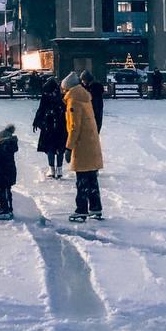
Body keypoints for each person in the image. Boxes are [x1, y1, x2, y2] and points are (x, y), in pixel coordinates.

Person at [62, 72, 104, 222]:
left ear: (68, 88)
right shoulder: (85, 98)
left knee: (82, 180)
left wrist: (68, 148)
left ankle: (81, 210)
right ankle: (95, 207)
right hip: (92, 143)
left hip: (82, 146)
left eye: (64, 90)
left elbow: (74, 127)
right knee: (92, 179)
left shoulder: (73, 102)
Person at [32, 77, 67, 179]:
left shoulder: (46, 95)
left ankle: (51, 169)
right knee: (60, 148)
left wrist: (36, 121)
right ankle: (59, 169)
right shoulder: (62, 95)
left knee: (50, 148)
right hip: (61, 125)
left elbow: (41, 109)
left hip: (48, 126)